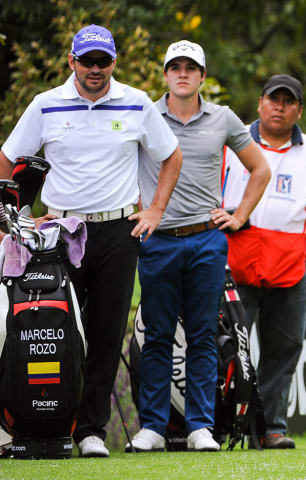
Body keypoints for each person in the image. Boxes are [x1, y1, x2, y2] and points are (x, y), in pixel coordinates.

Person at [0, 24, 182, 457]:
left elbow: (171, 155)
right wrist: (12, 217)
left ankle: (91, 431)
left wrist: (155, 209)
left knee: (105, 331)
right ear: (72, 62)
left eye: (103, 61)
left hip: (120, 230)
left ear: (114, 62)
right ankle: (52, 424)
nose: (95, 69)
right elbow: (7, 157)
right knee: (57, 328)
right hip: (60, 234)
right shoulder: (46, 105)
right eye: (87, 61)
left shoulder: (137, 103)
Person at [125, 40, 270, 452]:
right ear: (166, 74)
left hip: (206, 239)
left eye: (191, 67)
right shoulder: (145, 116)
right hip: (158, 240)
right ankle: (152, 427)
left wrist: (239, 216)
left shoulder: (223, 118)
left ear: (203, 76)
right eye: (175, 67)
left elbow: (259, 169)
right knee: (157, 336)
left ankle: (199, 427)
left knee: (204, 335)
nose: (183, 73)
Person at [221, 74, 306, 449]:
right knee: (225, 347)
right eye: (273, 99)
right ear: (260, 103)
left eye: (288, 101)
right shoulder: (232, 141)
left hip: (291, 267)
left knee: (284, 349)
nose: (279, 107)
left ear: (299, 110)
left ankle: (272, 428)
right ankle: (222, 427)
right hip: (236, 261)